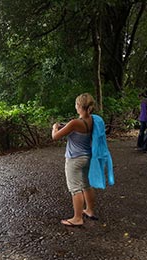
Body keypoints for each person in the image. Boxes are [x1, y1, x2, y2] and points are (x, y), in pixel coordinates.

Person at [52, 93, 98, 227]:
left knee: (75, 188)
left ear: (79, 105)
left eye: (76, 104)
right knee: (86, 185)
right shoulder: (92, 120)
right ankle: (89, 210)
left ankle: (77, 218)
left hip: (74, 159)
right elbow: (76, 127)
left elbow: (55, 137)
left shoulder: (75, 123)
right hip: (87, 157)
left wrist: (55, 128)